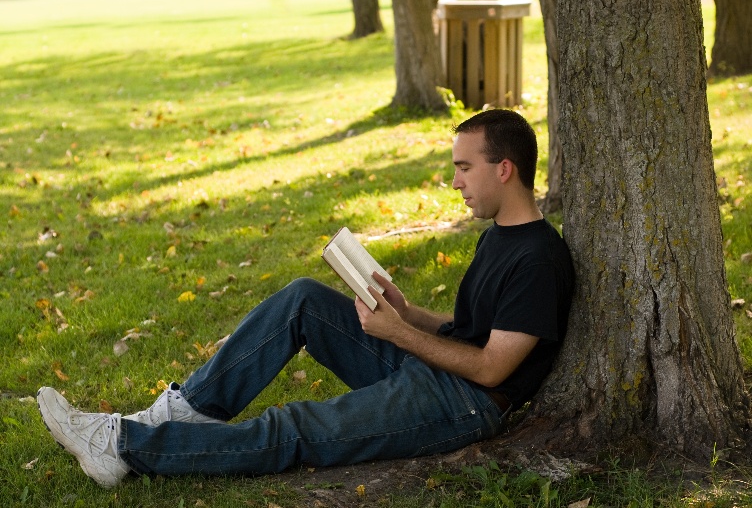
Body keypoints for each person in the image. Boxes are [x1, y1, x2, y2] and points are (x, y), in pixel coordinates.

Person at [37, 109, 575, 488]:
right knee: (303, 301)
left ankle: (123, 447)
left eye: (464, 167)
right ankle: (187, 411)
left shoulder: (539, 260)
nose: (454, 181)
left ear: (504, 169)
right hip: (432, 371)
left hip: (463, 405)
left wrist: (398, 332)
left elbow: (489, 368)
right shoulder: (499, 235)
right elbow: (473, 331)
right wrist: (408, 313)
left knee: (294, 429)